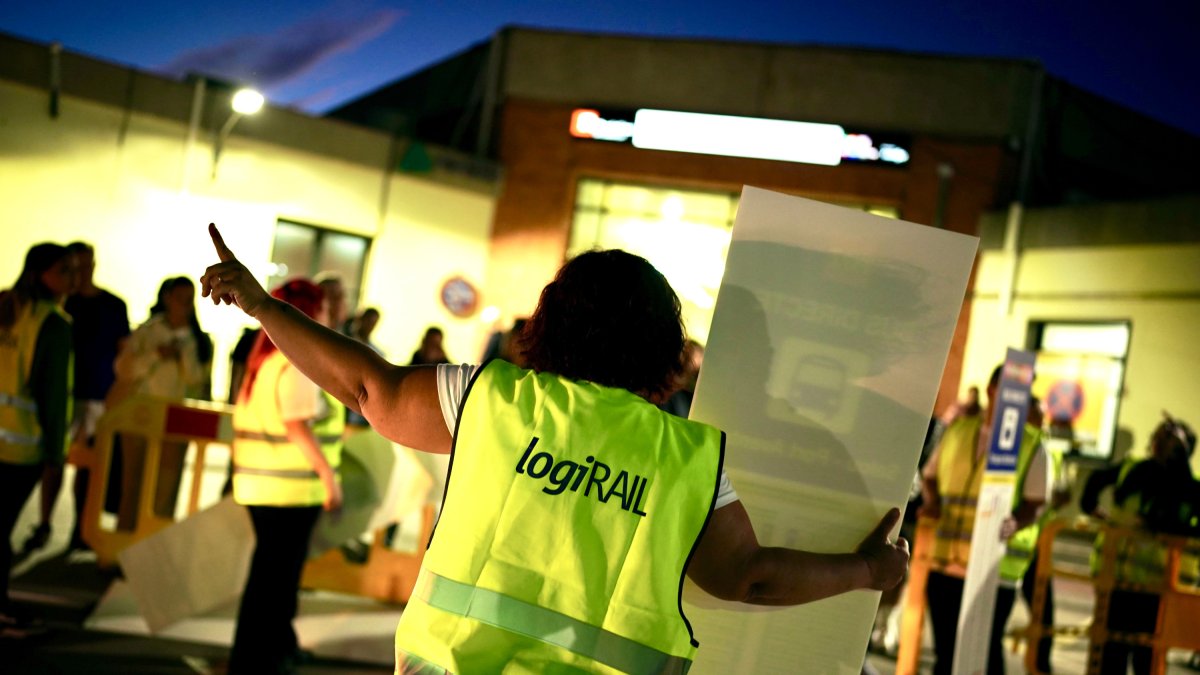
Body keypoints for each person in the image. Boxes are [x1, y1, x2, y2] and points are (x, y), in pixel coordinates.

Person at [202, 225, 909, 673]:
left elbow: (364, 387)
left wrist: (265, 307)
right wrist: (867, 567)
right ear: (665, 349)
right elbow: (749, 576)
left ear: (551, 319)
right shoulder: (690, 456)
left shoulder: (491, 397)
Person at [227, 278, 344, 674]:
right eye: (323, 306)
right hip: (290, 492)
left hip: (263, 487)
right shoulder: (297, 362)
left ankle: (272, 650)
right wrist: (329, 477)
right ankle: (255, 661)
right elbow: (297, 425)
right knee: (273, 583)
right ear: (308, 312)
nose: (329, 313)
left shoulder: (266, 359)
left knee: (271, 579)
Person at [919, 364, 1047, 675]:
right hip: (946, 564)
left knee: (985, 659)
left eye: (1023, 393)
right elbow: (930, 476)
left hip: (993, 571)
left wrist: (1015, 521)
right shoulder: (960, 430)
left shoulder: (1031, 444)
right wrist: (933, 502)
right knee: (945, 657)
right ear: (991, 389)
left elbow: (1035, 503)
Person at [19, 241, 130, 554]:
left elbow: (123, 354)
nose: (80, 273)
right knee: (51, 461)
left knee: (88, 466)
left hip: (95, 396)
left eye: (84, 265)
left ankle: (80, 529)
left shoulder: (111, 305)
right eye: (71, 268)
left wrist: (116, 395)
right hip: (59, 395)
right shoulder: (57, 307)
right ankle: (45, 522)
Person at [1080, 413, 1198, 675]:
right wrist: (1100, 514)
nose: (1158, 444)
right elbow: (1093, 485)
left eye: (1167, 441)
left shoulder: (1190, 488)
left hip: (1159, 591)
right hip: (1117, 581)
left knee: (1147, 659)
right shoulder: (1132, 469)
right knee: (1111, 656)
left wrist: (1161, 527)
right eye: (1157, 438)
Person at [1, 243, 77, 636]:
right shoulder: (54, 324)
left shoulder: (4, 306)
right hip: (19, 449)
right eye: (64, 270)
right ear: (41, 273)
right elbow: (52, 399)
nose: (73, 278)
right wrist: (55, 453)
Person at [109, 276, 213, 528]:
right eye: (180, 299)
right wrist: (157, 354)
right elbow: (124, 369)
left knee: (166, 488)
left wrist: (182, 352)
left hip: (176, 420)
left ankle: (153, 546)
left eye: (190, 300)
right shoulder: (148, 331)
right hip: (141, 416)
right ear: (167, 299)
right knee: (132, 483)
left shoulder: (199, 339)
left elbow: (197, 378)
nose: (185, 305)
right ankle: (121, 544)